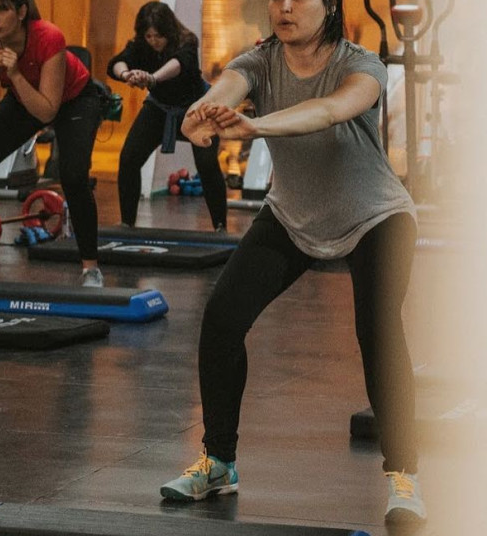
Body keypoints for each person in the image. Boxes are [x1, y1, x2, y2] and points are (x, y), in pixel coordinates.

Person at [159, 0, 425, 525]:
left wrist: (255, 127)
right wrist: (201, 116)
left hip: (376, 216)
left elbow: (327, 110)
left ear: (329, 6)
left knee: (378, 331)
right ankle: (219, 462)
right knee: (222, 318)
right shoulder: (259, 62)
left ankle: (404, 474)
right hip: (293, 214)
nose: (283, 6)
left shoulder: (360, 64)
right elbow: (222, 94)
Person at [0, 0, 105, 287]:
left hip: (75, 99)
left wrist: (14, 74)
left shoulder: (48, 36)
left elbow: (48, 111)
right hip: (24, 95)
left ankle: (91, 269)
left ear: (22, 11)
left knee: (73, 176)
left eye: (2, 9)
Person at [107, 2, 227, 231]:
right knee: (129, 159)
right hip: (159, 108)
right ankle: (127, 223)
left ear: (169, 32)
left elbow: (179, 64)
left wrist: (152, 78)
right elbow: (117, 62)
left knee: (207, 165)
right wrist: (127, 74)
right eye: (149, 36)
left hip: (198, 109)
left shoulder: (187, 41)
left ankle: (220, 226)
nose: (154, 41)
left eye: (159, 36)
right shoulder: (141, 45)